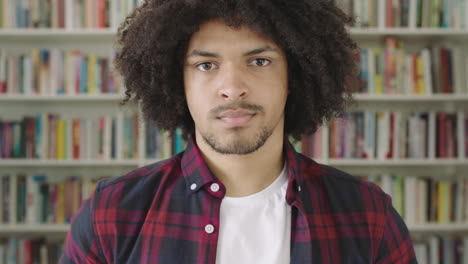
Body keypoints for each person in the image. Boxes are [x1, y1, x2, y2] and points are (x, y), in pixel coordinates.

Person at [60, 0, 417, 263]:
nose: (232, 88)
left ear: (293, 78)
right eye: (206, 65)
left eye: (259, 61)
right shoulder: (111, 213)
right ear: (176, 82)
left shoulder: (368, 214)